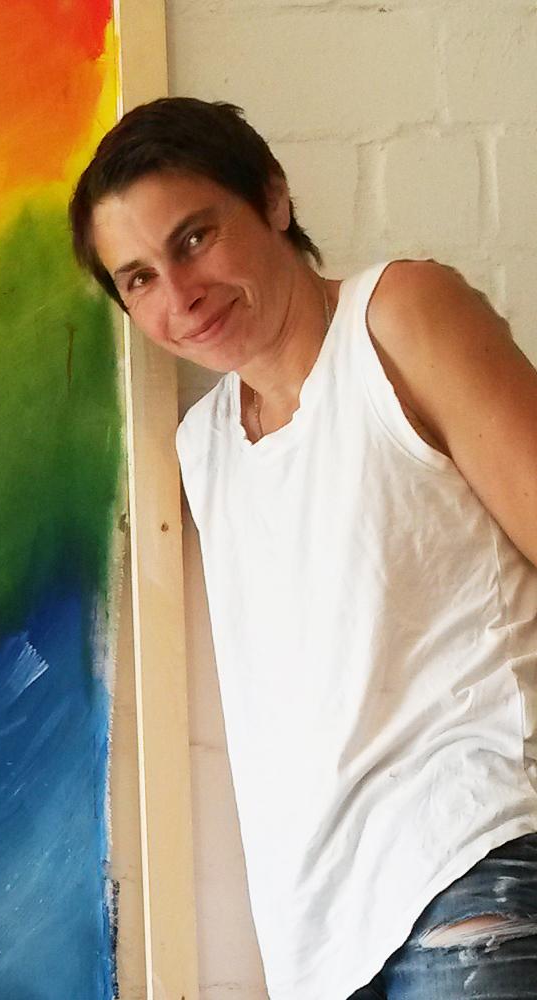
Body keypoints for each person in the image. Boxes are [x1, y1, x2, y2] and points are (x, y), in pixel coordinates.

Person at [70, 97, 537, 999]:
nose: (180, 294)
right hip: (324, 940)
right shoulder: (204, 448)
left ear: (274, 198)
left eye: (195, 238)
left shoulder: (397, 318)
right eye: (139, 278)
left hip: (472, 869)